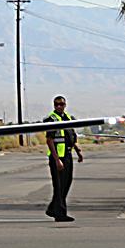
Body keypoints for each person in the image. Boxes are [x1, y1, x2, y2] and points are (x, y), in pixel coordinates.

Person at [44, 95, 83, 223]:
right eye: (57, 104)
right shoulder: (52, 119)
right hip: (57, 157)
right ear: (54, 105)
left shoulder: (68, 118)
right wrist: (56, 160)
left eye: (61, 104)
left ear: (65, 105)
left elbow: (72, 137)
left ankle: (52, 208)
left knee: (66, 183)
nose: (59, 106)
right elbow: (49, 140)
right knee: (59, 186)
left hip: (67, 155)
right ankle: (60, 214)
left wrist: (78, 152)